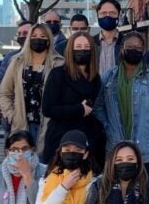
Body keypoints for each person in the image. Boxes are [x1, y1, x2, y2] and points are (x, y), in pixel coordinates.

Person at [94, 30, 149, 179]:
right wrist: (107, 125)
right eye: (130, 46)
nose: (134, 49)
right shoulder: (109, 77)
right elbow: (98, 106)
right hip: (116, 146)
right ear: (122, 48)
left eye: (138, 47)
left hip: (148, 147)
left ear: (144, 50)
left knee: (148, 194)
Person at [0, 22, 64, 151]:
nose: (38, 39)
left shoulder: (59, 63)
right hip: (22, 123)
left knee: (44, 165)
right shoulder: (17, 61)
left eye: (42, 36)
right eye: (34, 35)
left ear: (49, 40)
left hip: (48, 125)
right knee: (21, 163)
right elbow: (5, 92)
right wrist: (12, 115)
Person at [41, 32, 103, 170]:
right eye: (78, 46)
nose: (82, 50)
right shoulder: (58, 74)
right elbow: (48, 108)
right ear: (70, 50)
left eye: (86, 47)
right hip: (61, 138)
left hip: (88, 139)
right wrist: (79, 109)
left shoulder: (95, 78)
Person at [0, 20, 33, 106]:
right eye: (19, 34)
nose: (21, 36)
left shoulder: (43, 58)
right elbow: (1, 87)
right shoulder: (10, 58)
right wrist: (10, 113)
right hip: (15, 110)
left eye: (25, 33)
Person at [93, 0, 123, 75]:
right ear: (97, 16)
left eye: (112, 13)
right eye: (103, 13)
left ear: (119, 15)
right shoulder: (90, 43)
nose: (108, 16)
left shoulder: (127, 42)